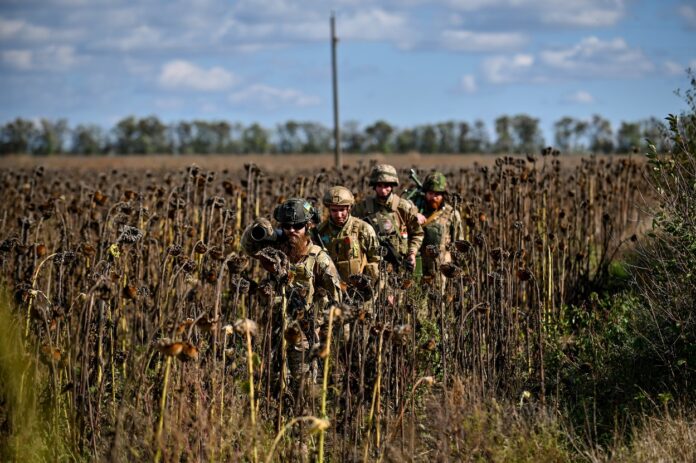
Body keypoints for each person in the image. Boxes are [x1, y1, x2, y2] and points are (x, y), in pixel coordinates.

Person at [241, 198, 342, 407]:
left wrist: (320, 325)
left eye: (297, 226)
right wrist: (259, 227)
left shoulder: (319, 259)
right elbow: (248, 247)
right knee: (271, 380)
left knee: (302, 385)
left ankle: (301, 430)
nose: (292, 231)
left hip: (303, 333)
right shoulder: (275, 249)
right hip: (273, 326)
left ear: (308, 226)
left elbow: (336, 299)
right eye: (286, 226)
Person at [352, 164, 424, 271]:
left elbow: (417, 233)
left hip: (399, 264)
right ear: (374, 186)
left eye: (386, 186)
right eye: (379, 186)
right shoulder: (363, 208)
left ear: (392, 186)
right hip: (372, 266)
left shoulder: (403, 207)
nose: (383, 190)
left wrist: (412, 254)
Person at [316, 186, 381, 286]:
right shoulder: (320, 231)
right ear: (329, 209)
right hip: (330, 290)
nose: (338, 215)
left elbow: (377, 261)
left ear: (349, 208)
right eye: (334, 210)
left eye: (342, 210)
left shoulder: (364, 229)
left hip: (360, 289)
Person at [414, 172, 463, 278]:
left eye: (437, 194)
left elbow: (459, 243)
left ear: (443, 195)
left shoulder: (451, 214)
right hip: (419, 266)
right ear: (425, 193)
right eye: (430, 193)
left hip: (442, 270)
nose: (434, 198)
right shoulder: (416, 212)